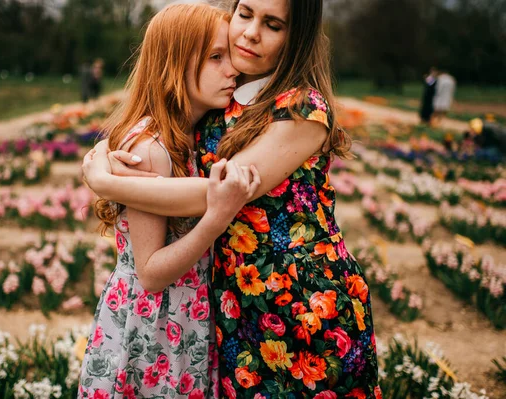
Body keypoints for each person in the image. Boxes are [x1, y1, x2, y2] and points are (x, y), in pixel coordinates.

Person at [83, 0, 382, 397]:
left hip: (302, 305)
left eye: (273, 24)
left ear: (297, 37)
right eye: (245, 14)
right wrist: (103, 151)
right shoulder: (223, 99)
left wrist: (104, 181)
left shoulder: (300, 109)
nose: (251, 33)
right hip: (233, 306)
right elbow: (156, 119)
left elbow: (219, 192)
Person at [77, 4, 259, 398]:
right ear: (174, 63)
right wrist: (216, 219)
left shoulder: (187, 135)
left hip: (180, 322)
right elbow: (151, 272)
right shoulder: (151, 147)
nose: (233, 70)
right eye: (215, 57)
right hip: (151, 333)